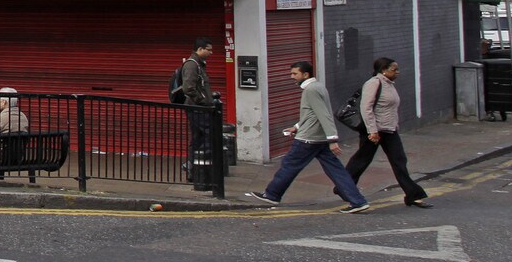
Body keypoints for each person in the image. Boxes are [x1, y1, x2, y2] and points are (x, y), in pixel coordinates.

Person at [247, 61, 371, 211]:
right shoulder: (318, 87)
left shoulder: (310, 90)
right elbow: (312, 114)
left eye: (295, 74)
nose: (291, 76)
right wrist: (297, 127)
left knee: (289, 165)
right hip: (319, 139)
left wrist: (333, 139)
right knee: (337, 171)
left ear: (305, 74)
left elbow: (324, 115)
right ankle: (358, 201)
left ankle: (272, 194)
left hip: (308, 140)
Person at [345, 57, 429, 208]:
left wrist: (394, 125)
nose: (397, 72)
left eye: (397, 69)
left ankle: (413, 195)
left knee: (399, 161)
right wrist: (372, 131)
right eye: (394, 69)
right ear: (383, 70)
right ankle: (344, 188)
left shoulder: (389, 84)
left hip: (389, 130)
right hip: (374, 131)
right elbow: (366, 108)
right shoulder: (373, 83)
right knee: (361, 161)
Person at [175, 37, 222, 188]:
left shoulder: (199, 65)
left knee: (199, 138)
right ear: (200, 49)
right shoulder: (191, 65)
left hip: (199, 108)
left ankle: (194, 168)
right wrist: (202, 101)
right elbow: (188, 88)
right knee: (207, 136)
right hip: (197, 109)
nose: (211, 52)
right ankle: (196, 167)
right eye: (208, 49)